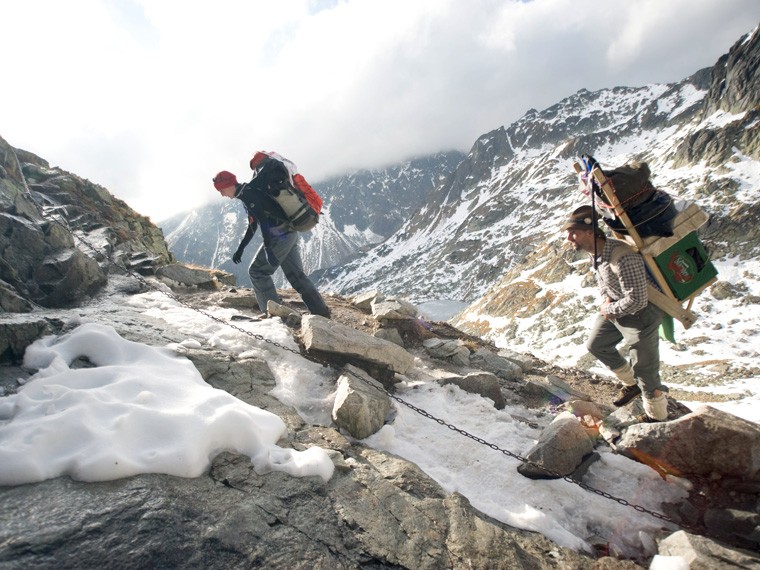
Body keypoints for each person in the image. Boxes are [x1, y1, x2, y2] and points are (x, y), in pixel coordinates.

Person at [563, 205, 668, 422]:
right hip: (616, 310)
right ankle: (631, 385)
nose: (569, 238)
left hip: (642, 317)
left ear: (591, 233)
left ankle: (657, 419)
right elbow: (603, 281)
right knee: (596, 344)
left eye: (573, 233)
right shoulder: (598, 253)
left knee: (646, 373)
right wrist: (605, 299)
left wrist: (608, 309)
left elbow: (638, 300)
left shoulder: (623, 257)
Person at [212, 158, 330, 319]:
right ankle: (321, 312)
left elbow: (264, 222)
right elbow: (253, 224)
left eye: (221, 190)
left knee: (257, 272)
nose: (221, 194)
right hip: (290, 232)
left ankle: (274, 317)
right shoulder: (248, 192)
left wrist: (268, 249)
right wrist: (241, 248)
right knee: (297, 276)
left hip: (279, 235)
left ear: (228, 184)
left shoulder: (248, 194)